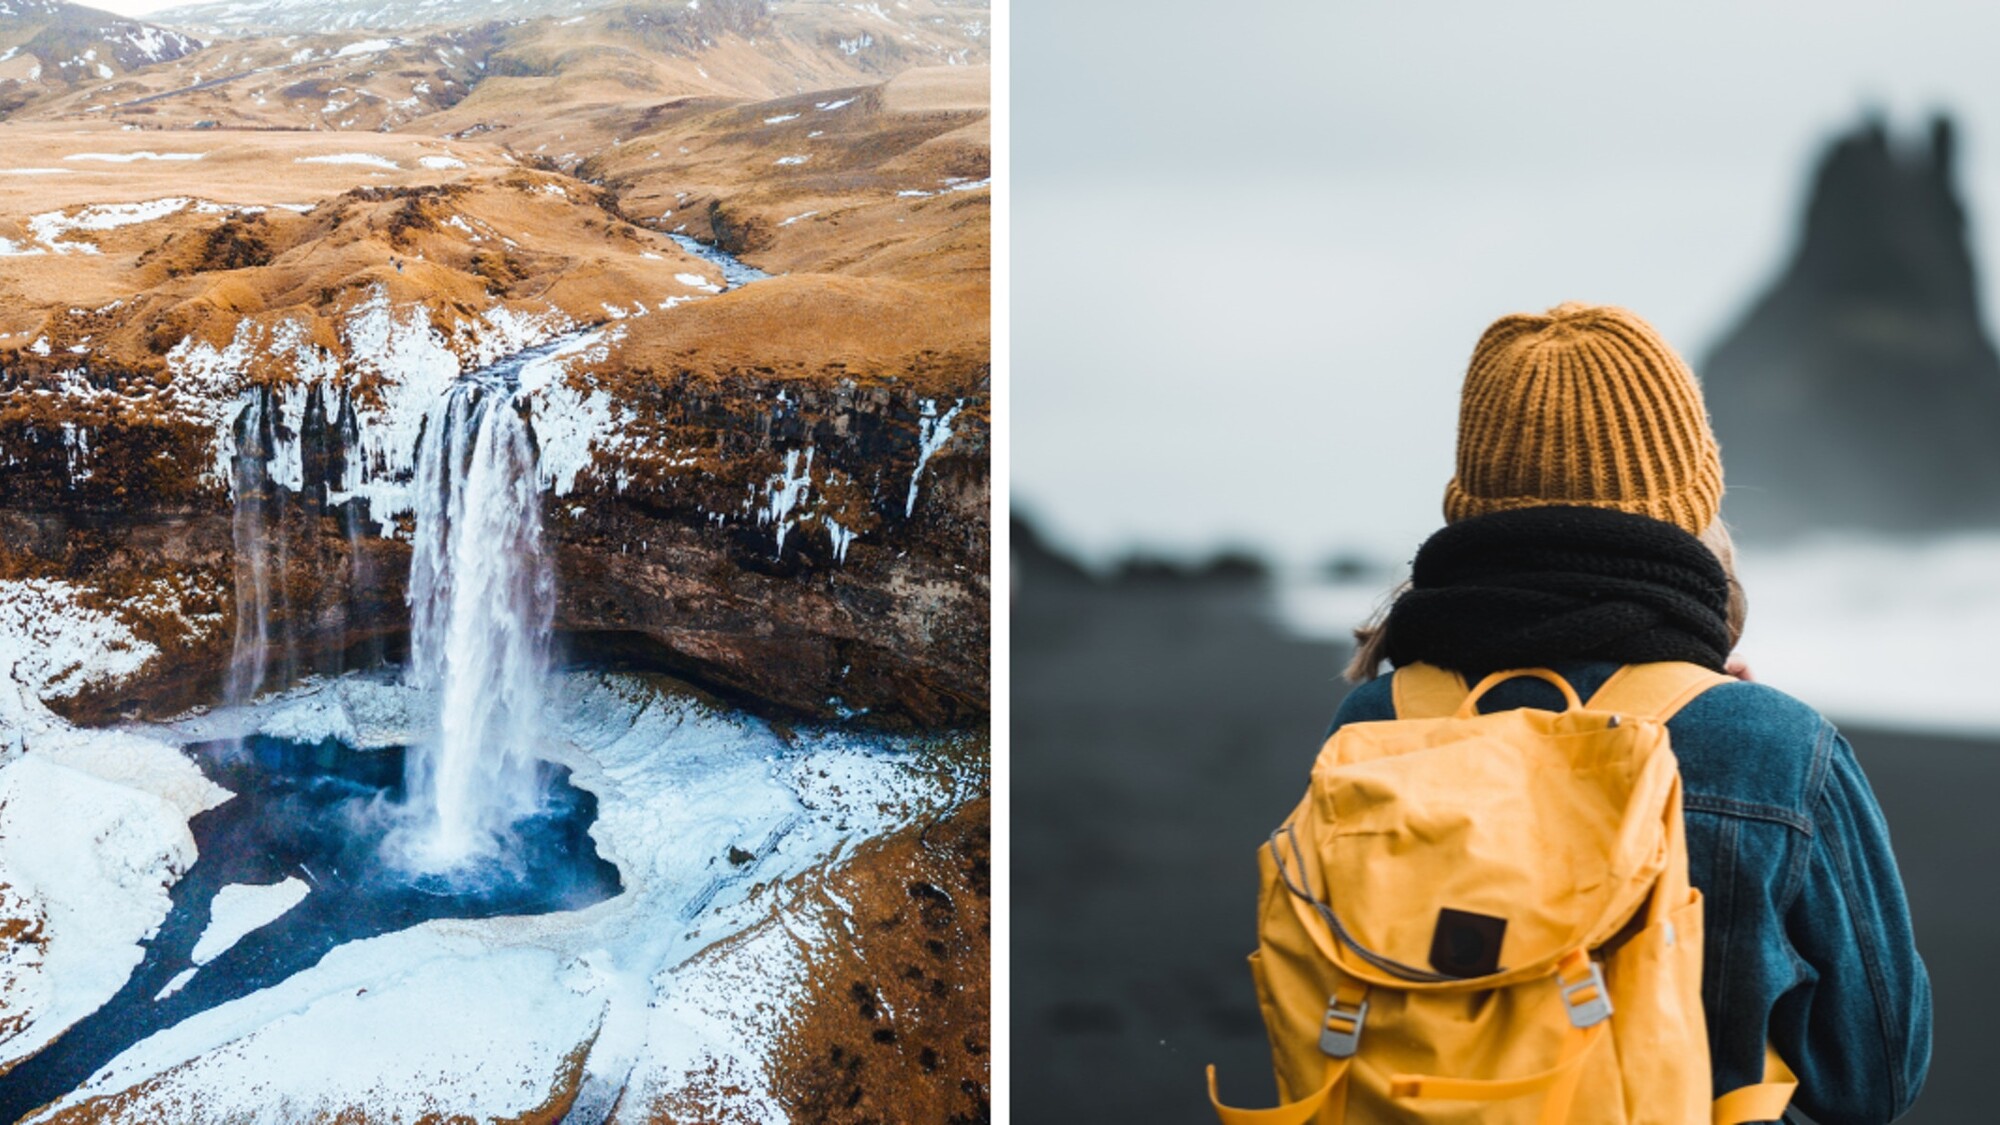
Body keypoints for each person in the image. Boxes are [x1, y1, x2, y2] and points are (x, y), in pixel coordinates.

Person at [1334, 302, 1931, 1124]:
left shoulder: (1371, 725)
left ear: (1471, 503)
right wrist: (1734, 724)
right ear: (1690, 505)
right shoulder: (1778, 749)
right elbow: (1873, 1076)